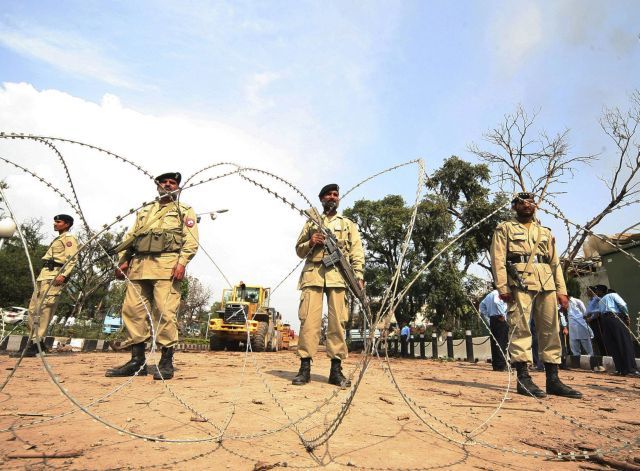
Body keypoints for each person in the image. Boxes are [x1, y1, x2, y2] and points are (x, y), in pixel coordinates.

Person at [105, 172, 199, 380]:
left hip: (166, 265)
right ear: (157, 185)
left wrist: (182, 263)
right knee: (132, 311)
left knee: (165, 313)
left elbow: (191, 241)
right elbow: (130, 238)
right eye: (164, 182)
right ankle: (136, 361)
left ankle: (166, 362)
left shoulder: (184, 210)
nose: (167, 184)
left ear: (178, 188)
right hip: (139, 265)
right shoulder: (145, 210)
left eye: (172, 182)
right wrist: (123, 261)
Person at [490, 192, 581, 398]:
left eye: (530, 202)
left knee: (551, 328)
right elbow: (497, 258)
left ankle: (553, 379)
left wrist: (562, 290)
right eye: (522, 203)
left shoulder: (545, 232)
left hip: (546, 281)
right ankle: (523, 378)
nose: (527, 205)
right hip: (520, 281)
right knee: (521, 327)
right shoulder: (504, 228)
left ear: (535, 206)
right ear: (514, 207)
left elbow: (555, 262)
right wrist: (502, 287)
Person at [291, 183, 364, 387]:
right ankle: (304, 368)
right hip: (313, 275)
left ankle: (336, 370)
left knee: (337, 324)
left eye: (336, 195)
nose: (333, 197)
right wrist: (311, 241)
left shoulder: (348, 224)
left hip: (338, 277)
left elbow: (357, 252)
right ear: (322, 198)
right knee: (309, 323)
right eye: (329, 195)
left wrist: (358, 275)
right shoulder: (311, 222)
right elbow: (298, 250)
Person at [11, 214, 78, 358]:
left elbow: (72, 259)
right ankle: (36, 342)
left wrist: (64, 275)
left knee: (44, 310)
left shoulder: (69, 239)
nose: (55, 223)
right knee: (32, 309)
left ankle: (36, 344)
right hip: (44, 275)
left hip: (54, 276)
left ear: (66, 224)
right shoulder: (58, 239)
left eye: (58, 222)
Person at [594, 285, 639, 377]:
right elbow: (623, 305)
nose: (596, 292)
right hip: (614, 318)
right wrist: (626, 315)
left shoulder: (605, 298)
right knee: (624, 342)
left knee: (613, 344)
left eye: (596, 290)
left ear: (601, 291)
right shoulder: (609, 296)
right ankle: (631, 369)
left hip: (605, 321)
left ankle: (621, 369)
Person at [479, 287, 509, 371]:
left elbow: (481, 306)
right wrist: (502, 314)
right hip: (500, 318)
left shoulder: (489, 295)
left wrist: (488, 315)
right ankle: (501, 365)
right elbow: (496, 302)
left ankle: (496, 365)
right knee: (501, 342)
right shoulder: (497, 294)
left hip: (493, 319)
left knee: (495, 342)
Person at [566, 290, 593, 357]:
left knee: (585, 341)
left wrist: (585, 320)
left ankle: (591, 357)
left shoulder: (577, 301)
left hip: (581, 323)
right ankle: (577, 359)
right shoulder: (564, 303)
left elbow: (585, 312)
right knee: (573, 342)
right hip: (572, 325)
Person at [585, 285, 607, 357]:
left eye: (588, 291)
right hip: (592, 321)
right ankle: (602, 355)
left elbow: (598, 311)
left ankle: (606, 355)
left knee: (601, 338)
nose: (586, 293)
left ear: (592, 291)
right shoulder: (590, 301)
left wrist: (590, 318)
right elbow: (589, 311)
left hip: (597, 320)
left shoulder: (597, 299)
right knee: (597, 338)